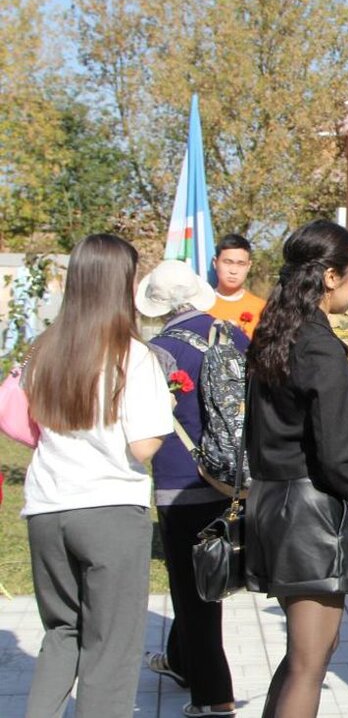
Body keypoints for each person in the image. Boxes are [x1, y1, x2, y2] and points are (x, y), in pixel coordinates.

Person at [243, 220, 348, 717]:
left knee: (301, 660)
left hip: (272, 498)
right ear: (331, 277)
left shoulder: (275, 332)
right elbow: (334, 454)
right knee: (311, 664)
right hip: (308, 512)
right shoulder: (319, 345)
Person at [21, 234, 174, 718]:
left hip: (46, 506)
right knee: (111, 646)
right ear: (119, 284)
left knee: (62, 633)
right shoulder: (132, 355)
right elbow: (142, 445)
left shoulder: (43, 349)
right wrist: (165, 407)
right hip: (108, 508)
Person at [139, 260, 247, 718]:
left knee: (194, 589)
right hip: (232, 478)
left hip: (180, 481)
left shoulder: (157, 351)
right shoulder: (235, 337)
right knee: (200, 579)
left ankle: (213, 696)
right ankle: (181, 661)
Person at [207, 233, 266, 337]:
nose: (233, 271)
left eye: (241, 264)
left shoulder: (261, 308)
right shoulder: (202, 305)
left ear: (249, 266)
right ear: (215, 263)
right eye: (227, 262)